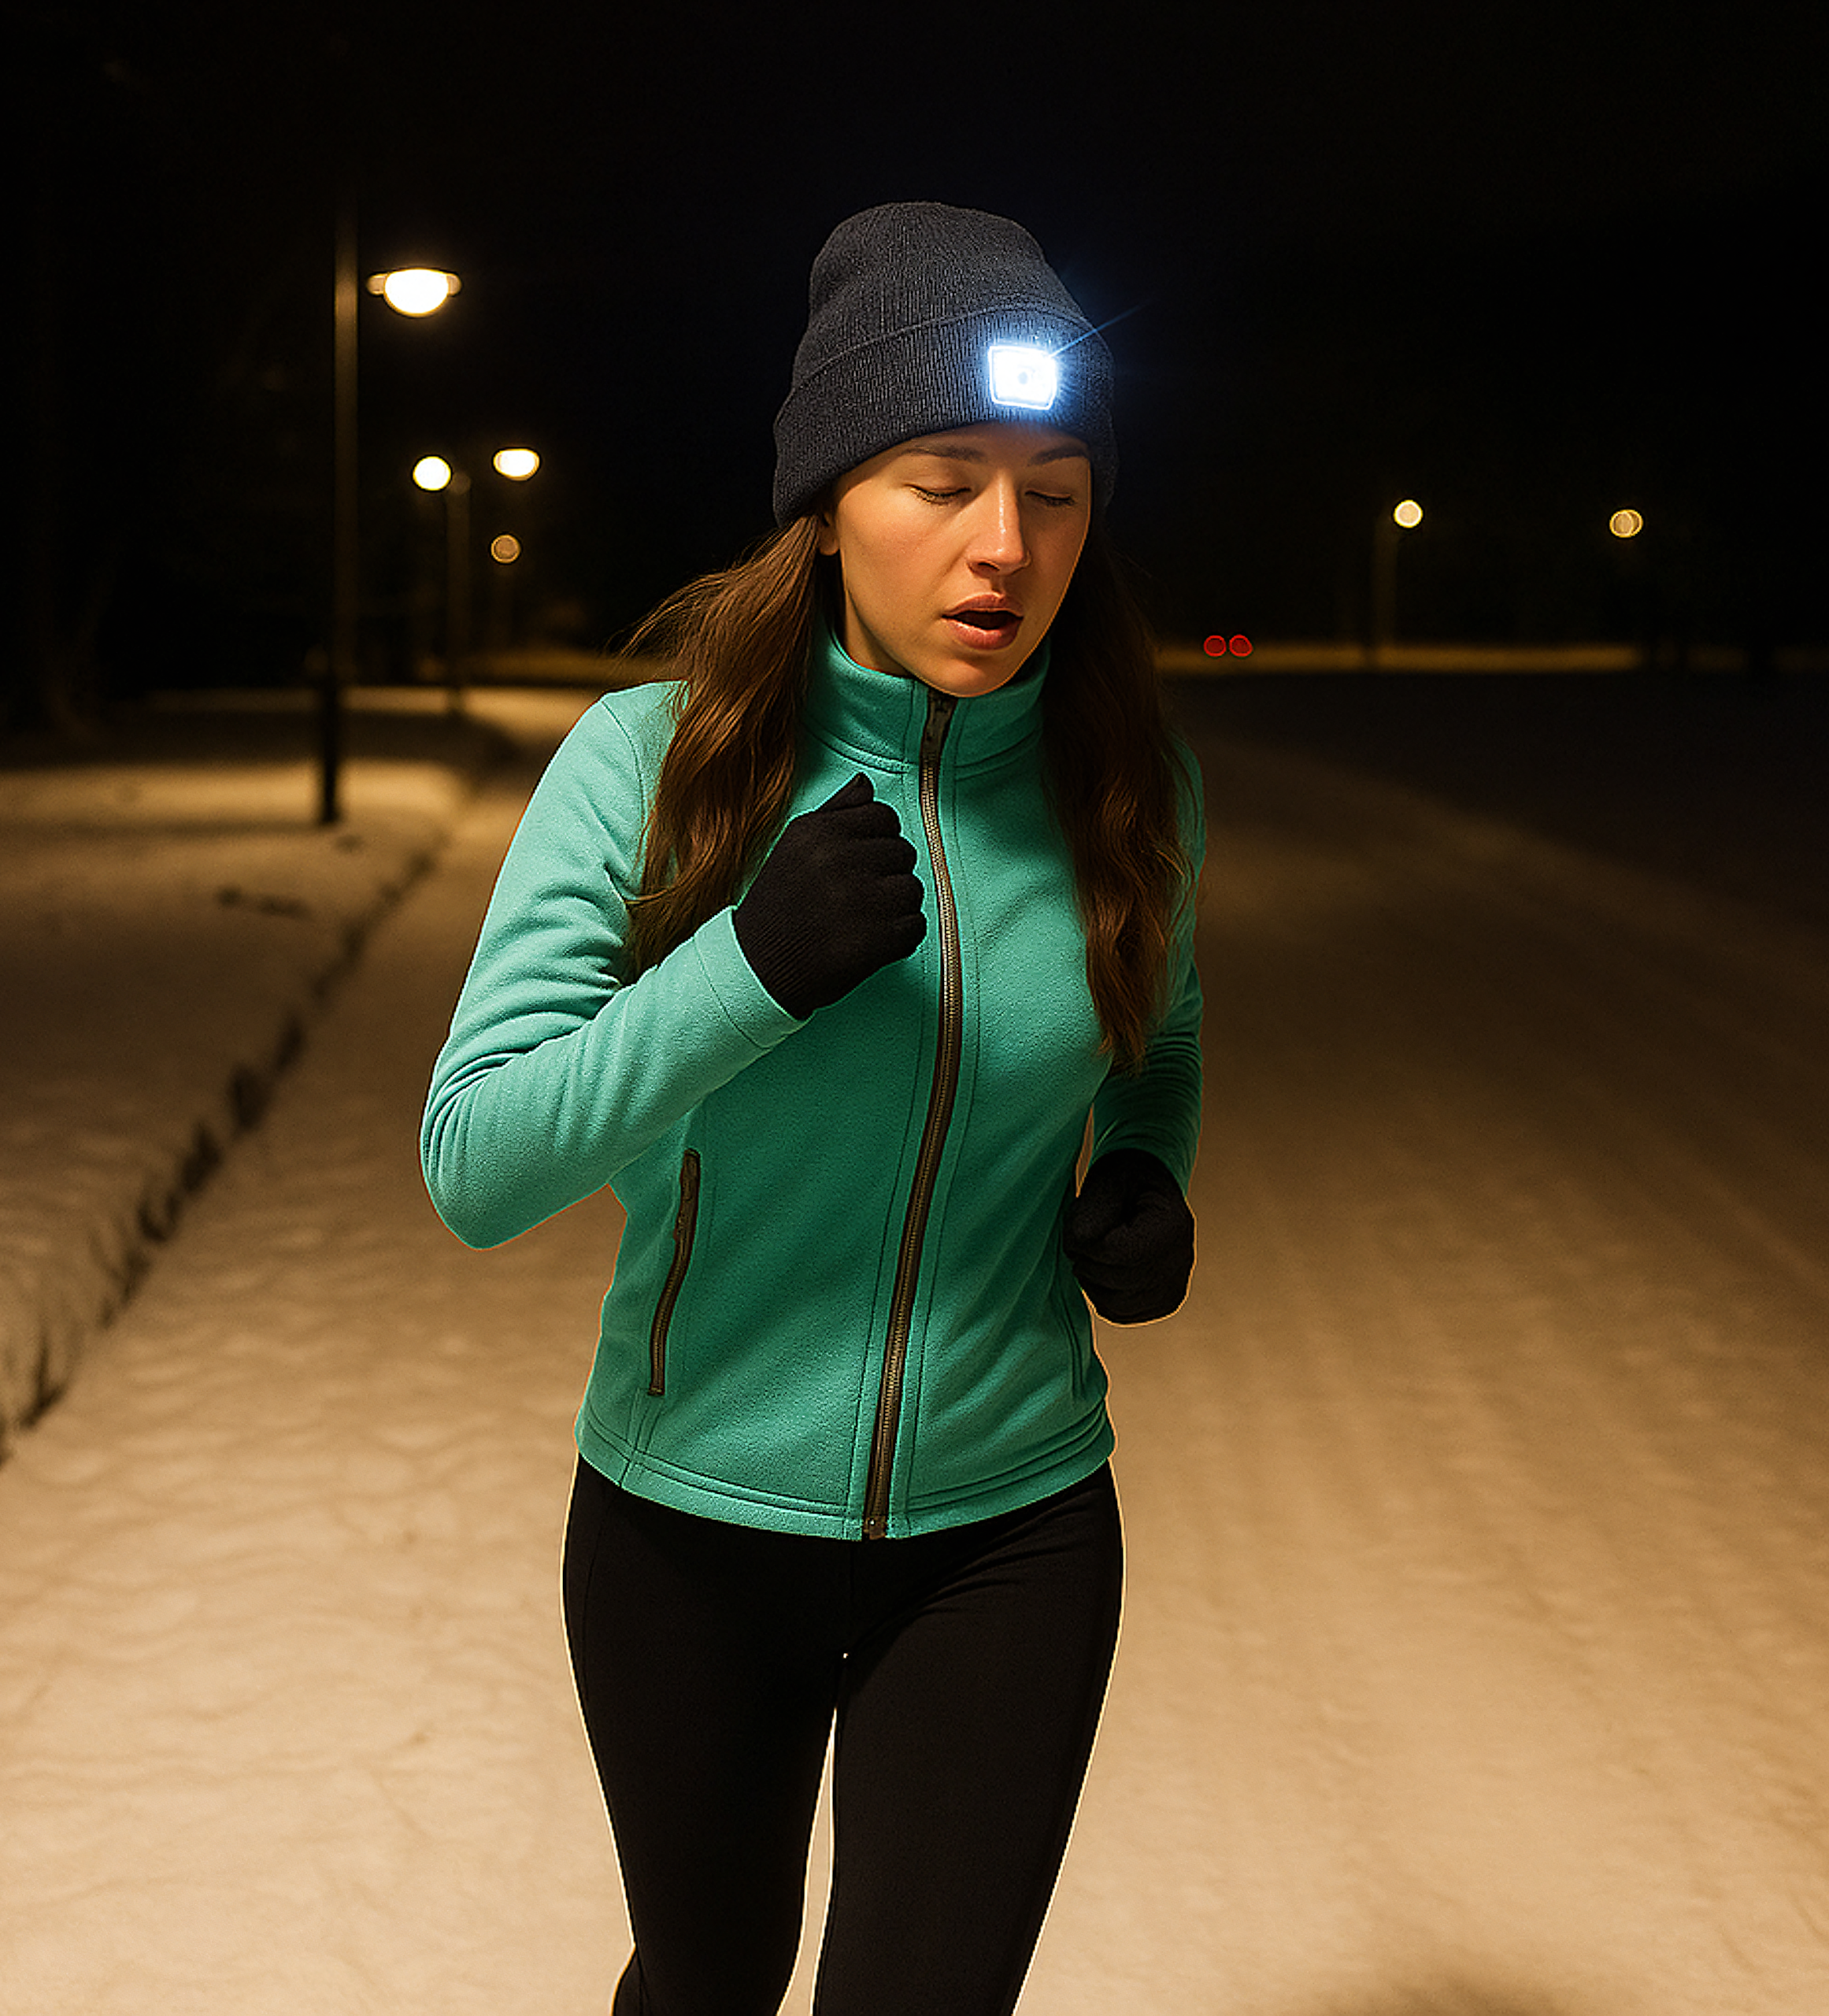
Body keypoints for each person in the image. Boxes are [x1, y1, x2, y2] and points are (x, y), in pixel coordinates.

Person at [421, 200, 1204, 2016]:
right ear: (829, 497)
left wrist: (1150, 1171)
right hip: (685, 1534)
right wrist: (741, 970)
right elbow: (476, 1161)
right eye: (942, 479)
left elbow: (1157, 1043)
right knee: (703, 1984)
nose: (1004, 544)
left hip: (1009, 1529)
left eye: (1057, 487)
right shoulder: (657, 763)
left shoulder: (1122, 782)